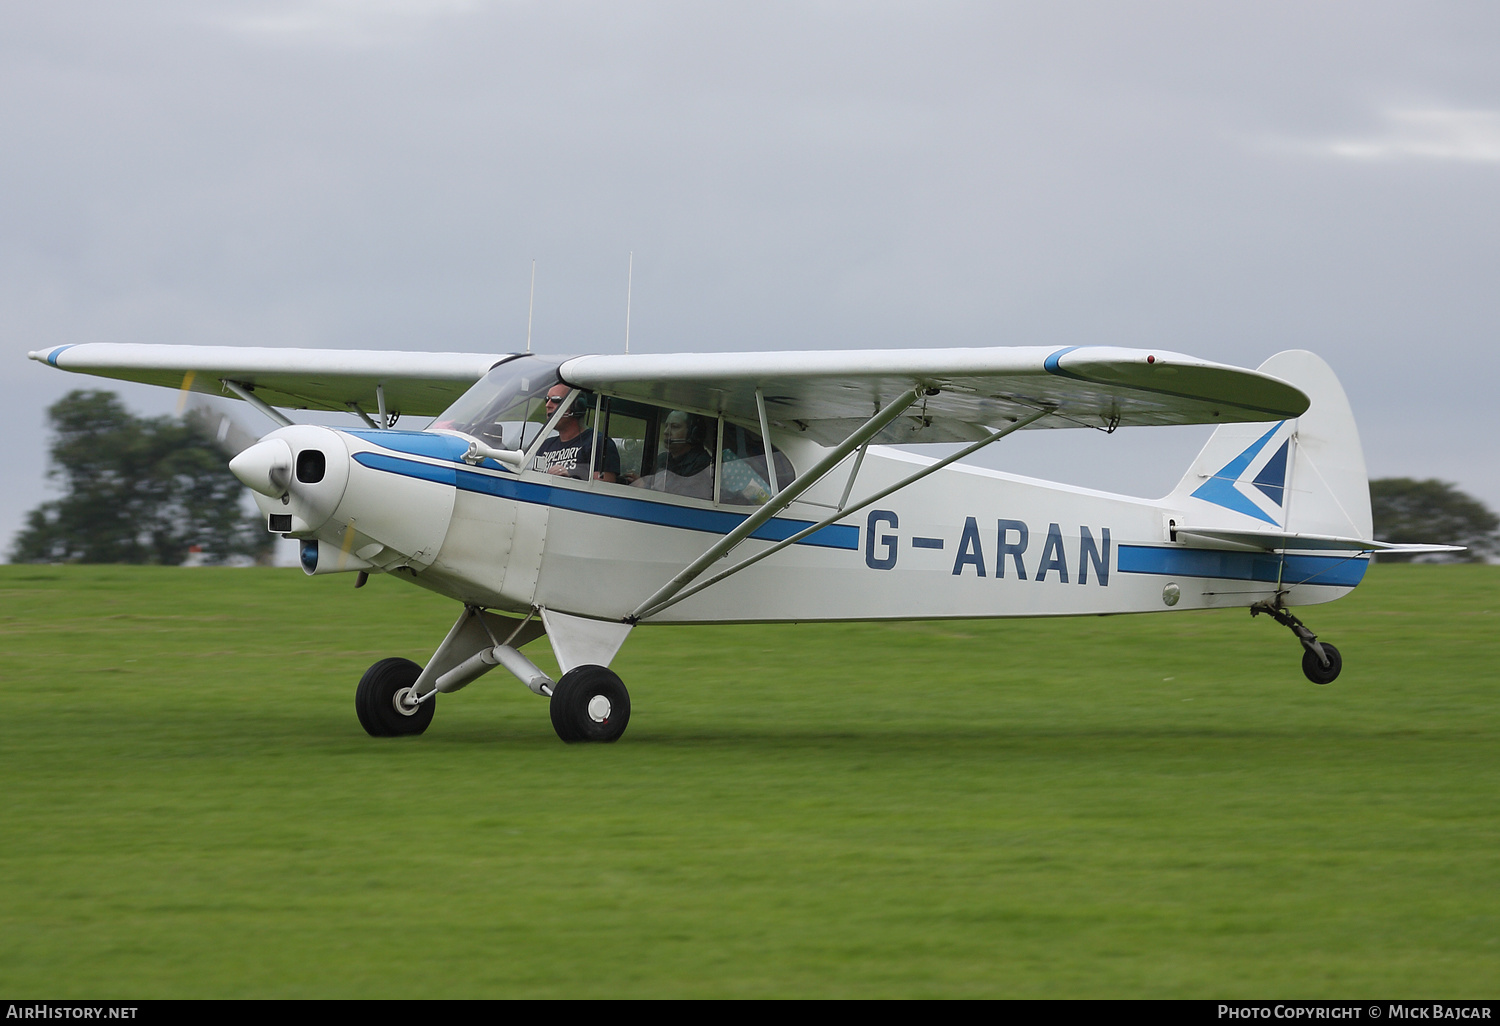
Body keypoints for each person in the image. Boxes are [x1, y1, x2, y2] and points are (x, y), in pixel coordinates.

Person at [531, 386, 620, 482]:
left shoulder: (598, 443)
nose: (548, 405)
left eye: (556, 400)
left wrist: (569, 480)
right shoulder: (545, 445)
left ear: (577, 406)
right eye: (547, 399)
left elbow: (604, 490)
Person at [630, 410, 714, 498]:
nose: (666, 432)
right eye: (666, 426)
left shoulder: (703, 463)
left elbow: (686, 498)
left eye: (675, 427)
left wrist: (645, 487)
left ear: (693, 433)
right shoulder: (662, 459)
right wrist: (639, 482)